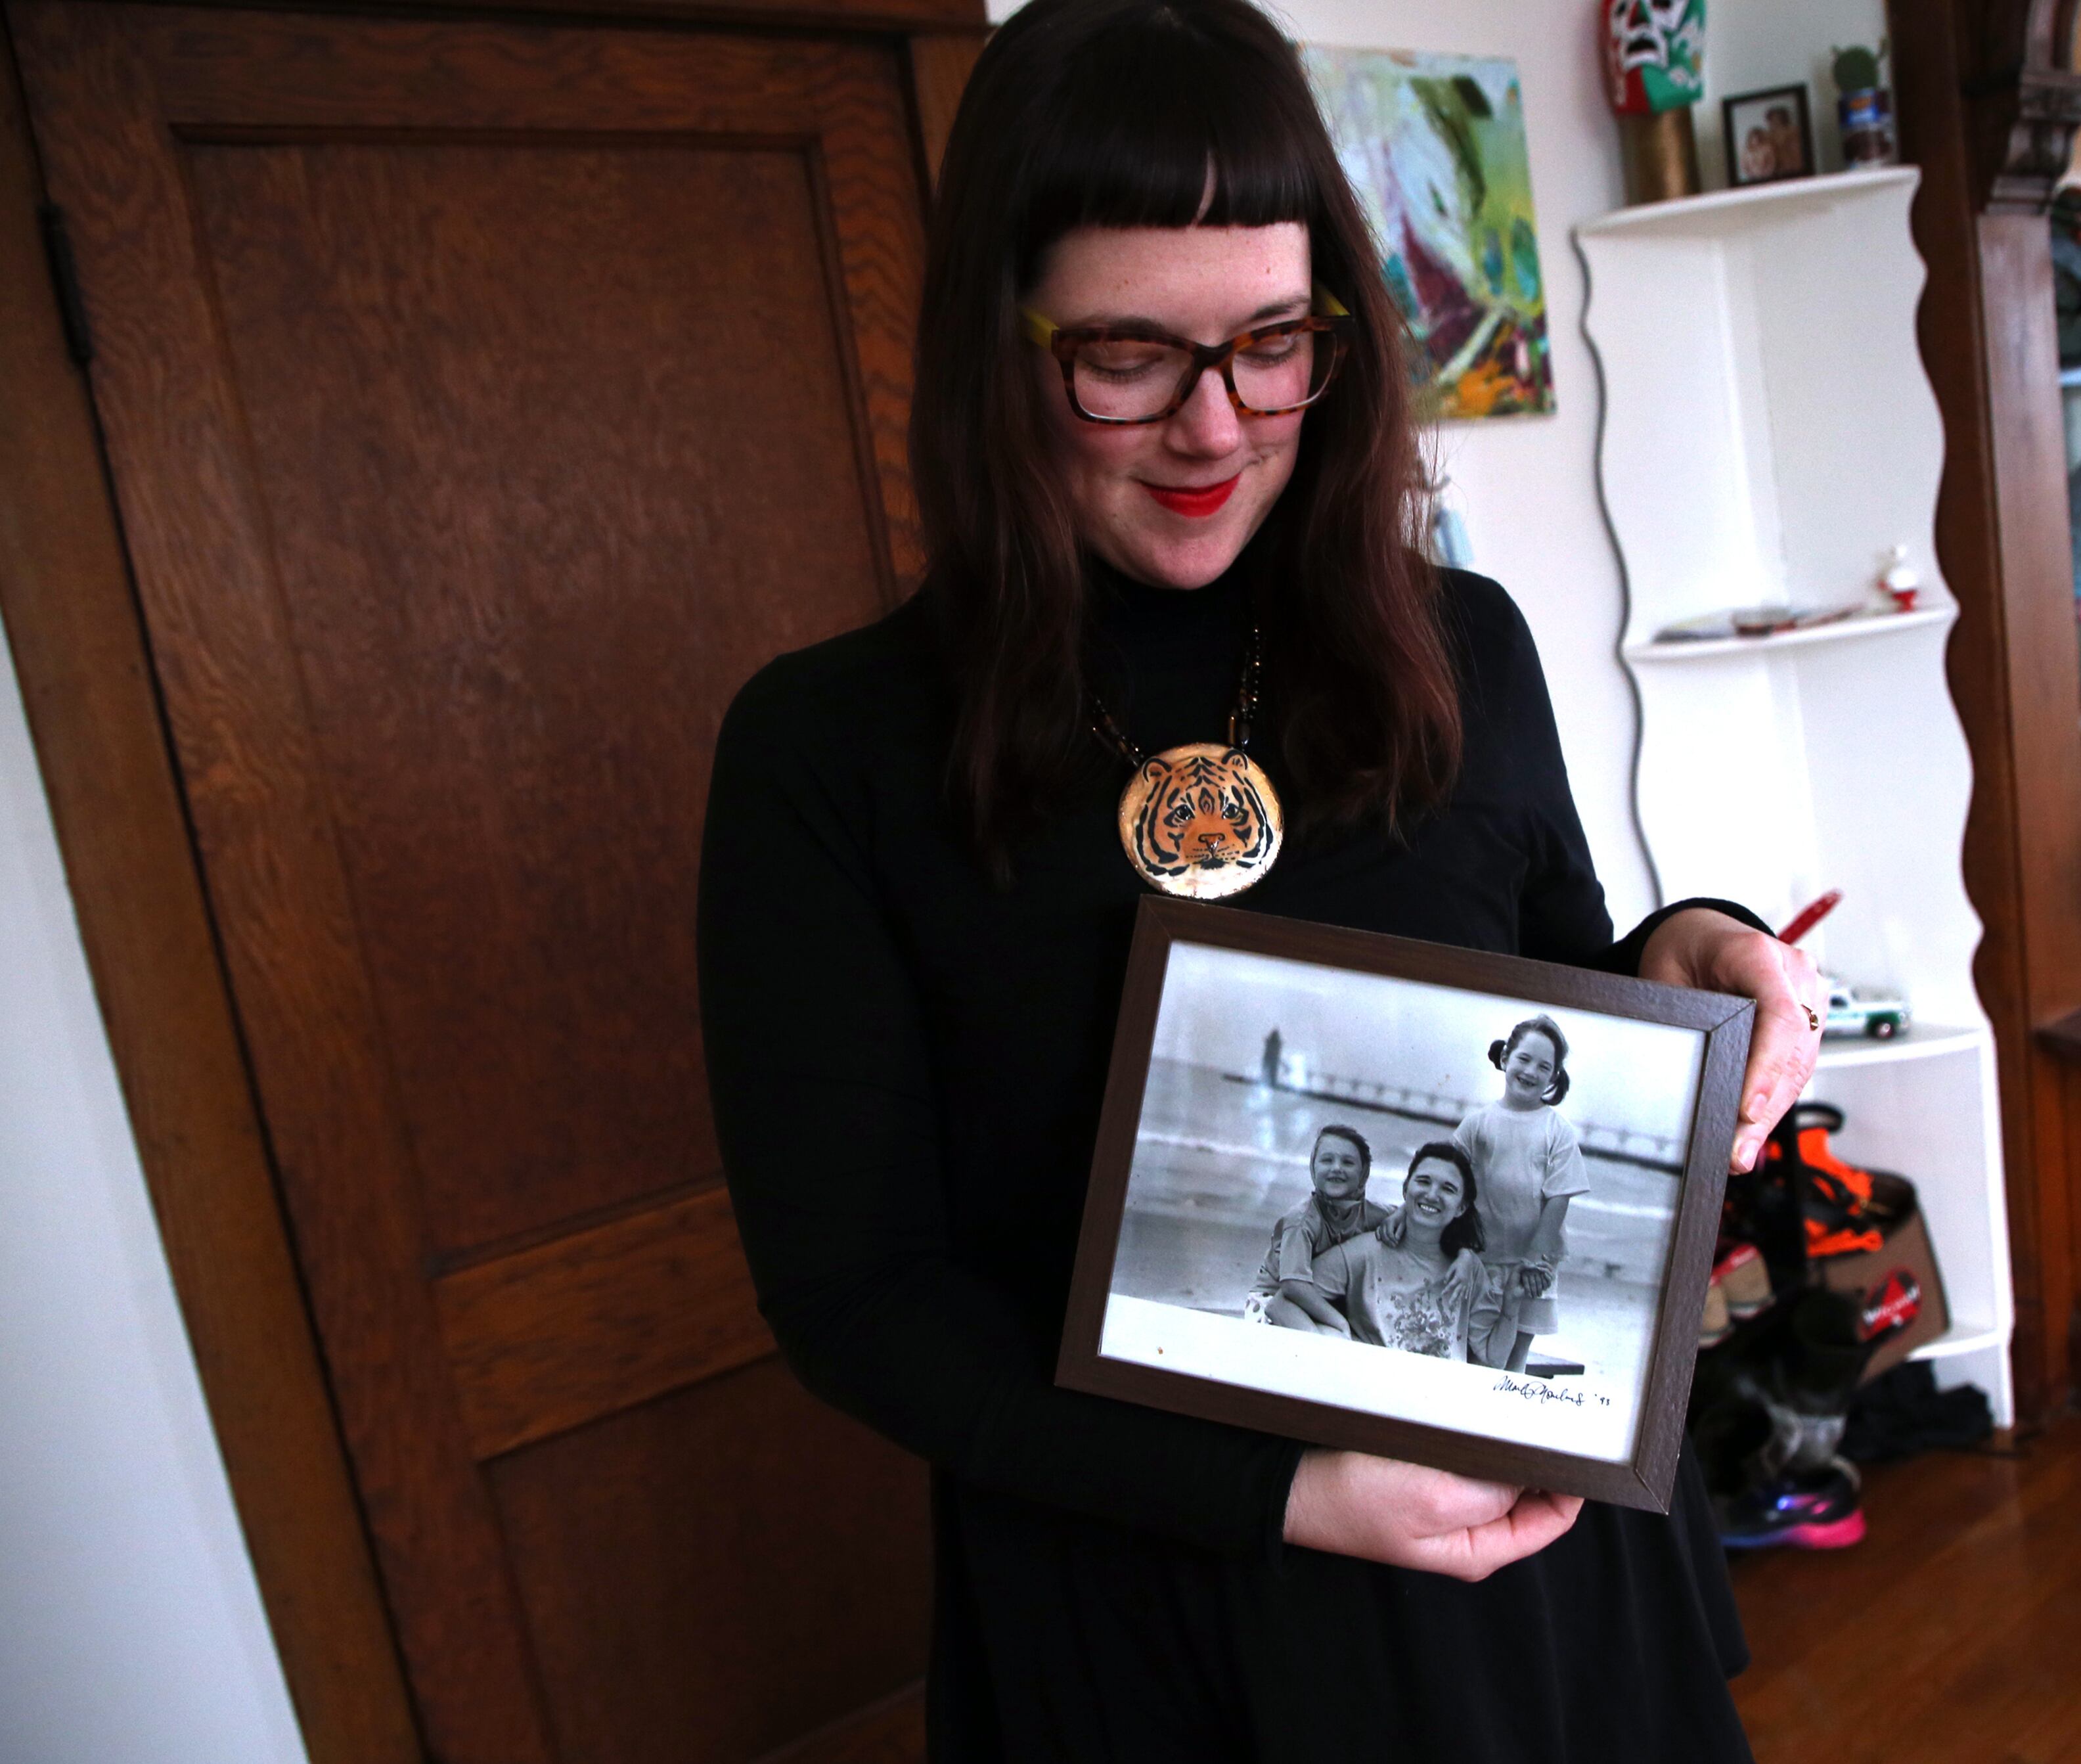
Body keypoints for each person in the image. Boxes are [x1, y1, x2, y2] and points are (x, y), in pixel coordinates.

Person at [696, 1, 1822, 1757]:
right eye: (1127, 357)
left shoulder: (1460, 642)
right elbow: (858, 1299)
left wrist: (1688, 944)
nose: (1214, 426)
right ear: (999, 344)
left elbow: (1544, 1000)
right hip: (1151, 1615)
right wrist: (1284, 1491)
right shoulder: (828, 750)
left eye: (1273, 343)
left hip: (1540, 1576)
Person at [1448, 1014, 1588, 1372]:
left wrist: (1534, 1262)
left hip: (1532, 1262)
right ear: (1506, 1057)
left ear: (1553, 1077)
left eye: (1544, 1067)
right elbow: (1448, 1178)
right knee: (1475, 1353)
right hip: (1481, 1258)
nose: (1530, 1072)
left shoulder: (1558, 1131)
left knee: (1514, 1361)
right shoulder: (1477, 1123)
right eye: (1524, 1059)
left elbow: (1558, 1200)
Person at [1295, 1143, 1519, 1364]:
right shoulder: (1363, 1254)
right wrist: (1339, 1332)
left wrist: (1512, 1303)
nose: (1432, 1195)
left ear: (1461, 1207)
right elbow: (1289, 1296)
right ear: (1405, 1189)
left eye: (1448, 1189)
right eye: (1423, 1181)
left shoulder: (1467, 1269)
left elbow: (1494, 1357)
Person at [1251, 1123, 1387, 1331]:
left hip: (1318, 1299)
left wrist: (1399, 1218)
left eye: (1348, 1162)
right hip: (1273, 1301)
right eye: (1327, 1160)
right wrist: (1338, 1321)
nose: (1337, 1168)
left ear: (1364, 1173)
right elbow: (1292, 1285)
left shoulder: (1371, 1214)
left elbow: (1408, 1217)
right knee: (1318, 1341)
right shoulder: (1301, 1221)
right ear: (1313, 1167)